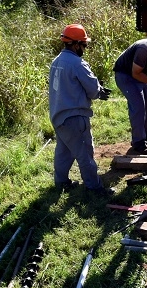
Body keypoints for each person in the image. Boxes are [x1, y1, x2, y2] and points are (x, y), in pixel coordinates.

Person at [48, 24, 112, 194]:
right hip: (74, 117)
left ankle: (61, 183)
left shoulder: (56, 61)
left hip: (58, 115)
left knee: (64, 151)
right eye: (84, 45)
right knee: (85, 153)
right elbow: (92, 89)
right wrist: (100, 92)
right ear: (76, 44)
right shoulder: (78, 63)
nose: (85, 48)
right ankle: (95, 188)